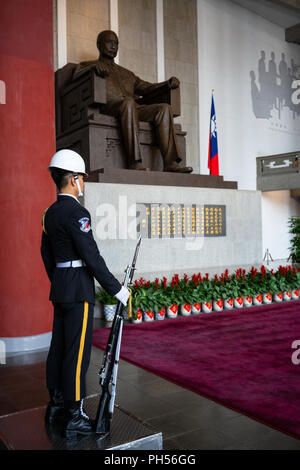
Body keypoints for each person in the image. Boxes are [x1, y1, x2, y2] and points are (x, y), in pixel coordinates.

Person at [41, 149, 129, 438]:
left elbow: (46, 254)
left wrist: (59, 280)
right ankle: (75, 415)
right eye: (83, 178)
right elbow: (91, 256)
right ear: (74, 179)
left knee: (58, 348)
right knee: (76, 354)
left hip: (61, 288)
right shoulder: (78, 212)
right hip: (78, 289)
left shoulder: (50, 213)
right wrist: (117, 290)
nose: (84, 183)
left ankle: (55, 404)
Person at [73, 30, 193, 173]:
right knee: (129, 103)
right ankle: (134, 161)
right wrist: (93, 68)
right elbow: (75, 76)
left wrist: (167, 84)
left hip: (132, 108)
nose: (113, 46)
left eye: (116, 43)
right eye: (109, 42)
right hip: (108, 106)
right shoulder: (88, 64)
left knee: (164, 108)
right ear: (99, 45)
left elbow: (147, 87)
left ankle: (170, 163)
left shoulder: (127, 74)